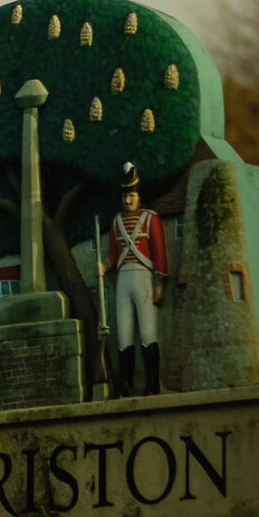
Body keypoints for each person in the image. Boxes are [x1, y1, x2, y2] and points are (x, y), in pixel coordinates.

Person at [100, 161, 168, 394]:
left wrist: (158, 284)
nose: (127, 200)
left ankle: (152, 384)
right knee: (124, 335)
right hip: (123, 280)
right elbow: (113, 255)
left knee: (148, 333)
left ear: (139, 196)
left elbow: (159, 253)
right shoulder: (116, 222)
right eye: (124, 196)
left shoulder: (150, 219)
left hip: (144, 278)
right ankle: (126, 384)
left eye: (131, 195)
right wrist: (104, 266)